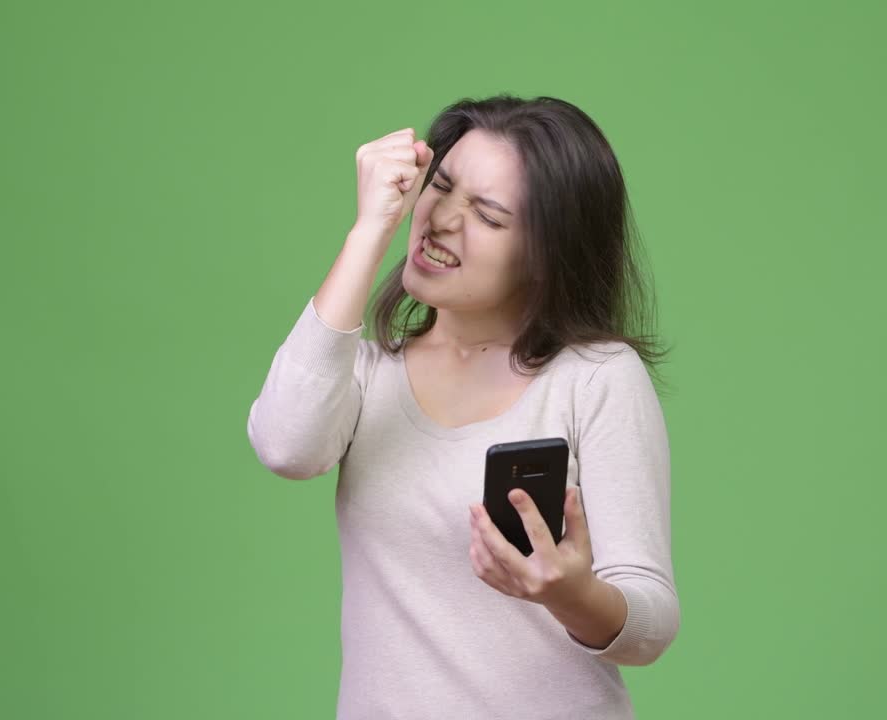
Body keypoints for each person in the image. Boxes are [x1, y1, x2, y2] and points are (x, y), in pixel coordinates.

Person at [247, 94, 680, 720]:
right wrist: (370, 231)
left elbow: (652, 623)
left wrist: (571, 594)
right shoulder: (367, 376)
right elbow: (284, 446)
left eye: (489, 215)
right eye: (441, 186)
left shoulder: (595, 379)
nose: (442, 219)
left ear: (546, 255)